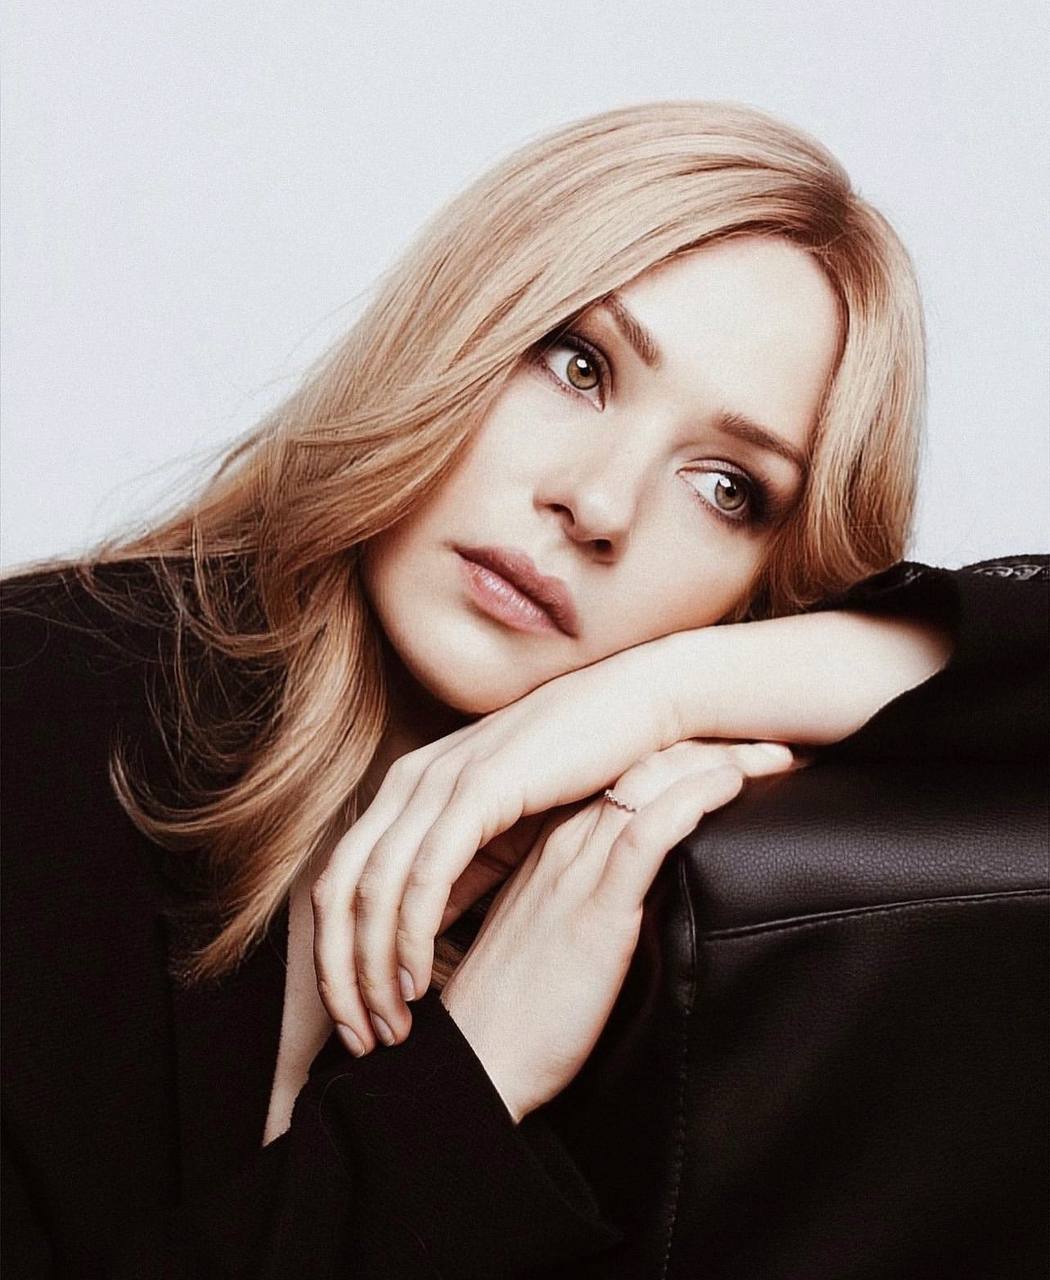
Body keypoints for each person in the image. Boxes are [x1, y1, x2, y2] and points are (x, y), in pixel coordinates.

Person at [2, 101, 1046, 1279]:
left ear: (767, 584)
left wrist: (660, 694)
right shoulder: (40, 706)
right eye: (579, 364)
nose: (597, 505)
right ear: (455, 328)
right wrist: (477, 1072)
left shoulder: (695, 900)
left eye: (727, 487)